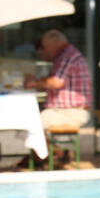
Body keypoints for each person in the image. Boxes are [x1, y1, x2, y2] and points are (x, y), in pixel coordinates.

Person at [24, 30, 93, 165]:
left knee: (30, 122)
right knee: (29, 118)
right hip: (65, 109)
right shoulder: (65, 55)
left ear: (54, 43)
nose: (42, 51)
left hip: (72, 112)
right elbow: (54, 82)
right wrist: (39, 82)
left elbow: (56, 82)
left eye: (44, 47)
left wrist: (35, 83)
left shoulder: (67, 56)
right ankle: (52, 152)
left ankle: (45, 155)